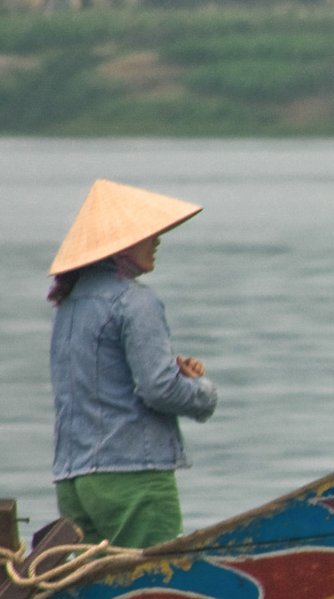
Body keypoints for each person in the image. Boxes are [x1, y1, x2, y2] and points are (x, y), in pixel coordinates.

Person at [47, 179, 219, 549]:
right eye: (147, 234)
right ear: (119, 245)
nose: (157, 240)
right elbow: (159, 388)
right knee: (153, 587)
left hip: (75, 481)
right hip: (132, 478)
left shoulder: (70, 305)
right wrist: (203, 393)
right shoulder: (135, 301)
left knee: (94, 591)